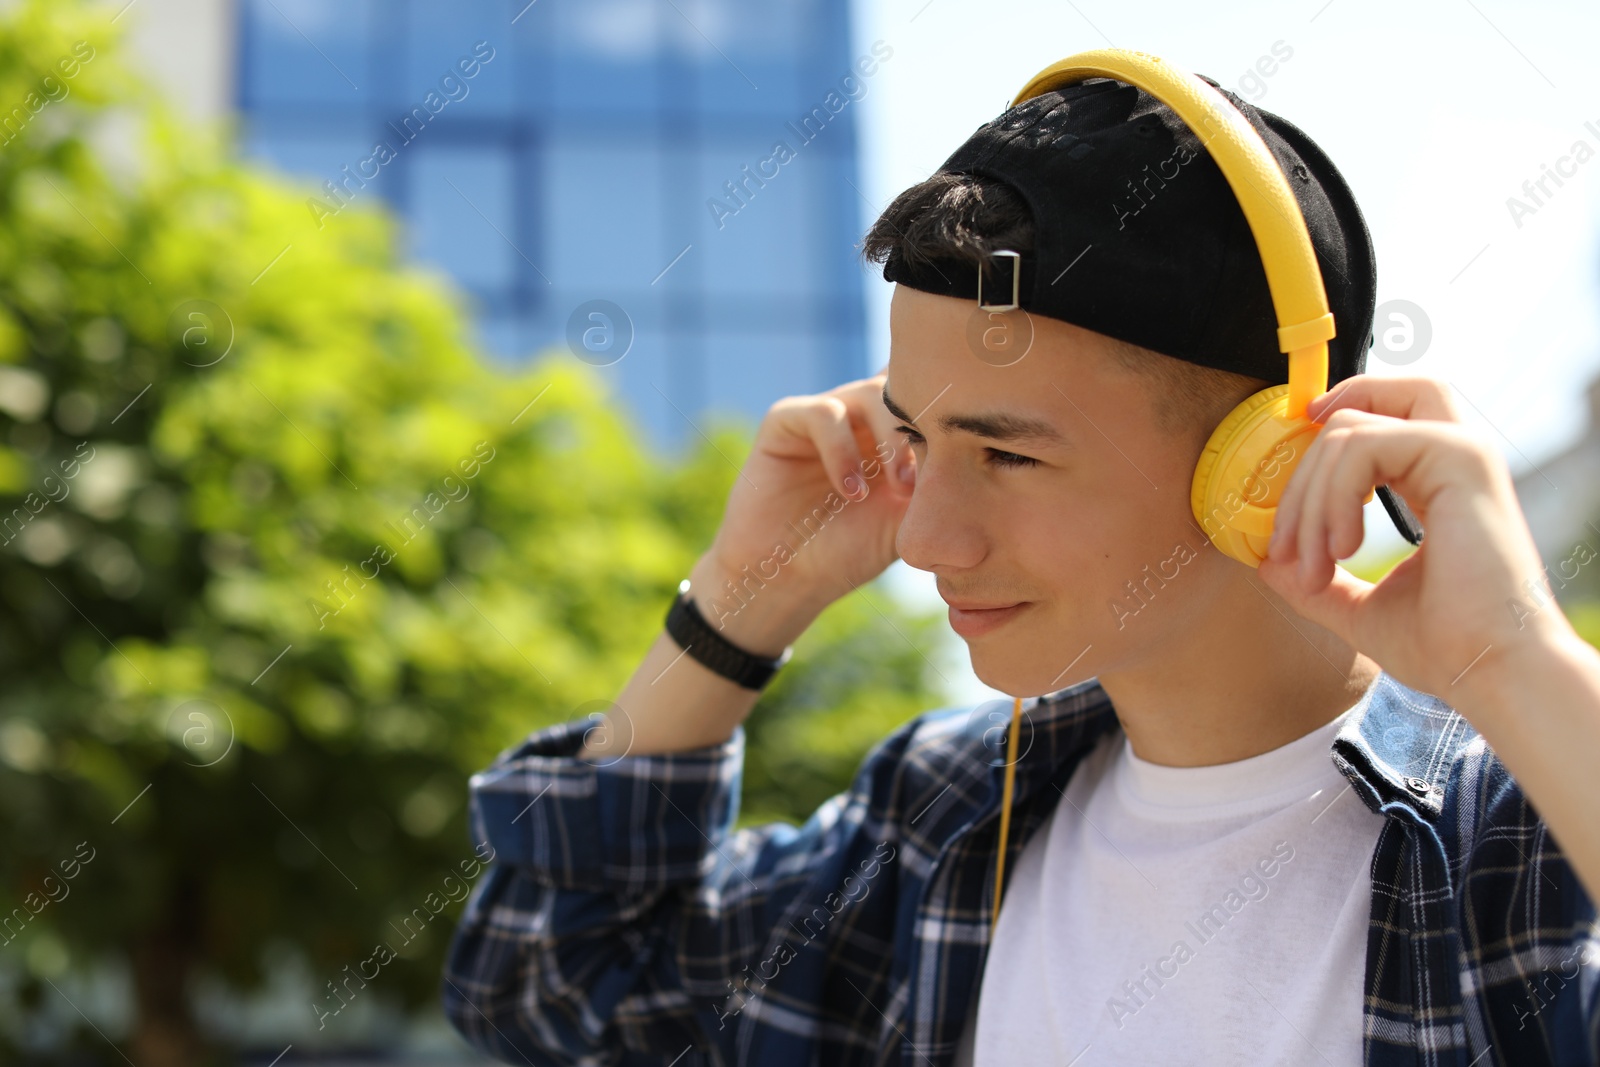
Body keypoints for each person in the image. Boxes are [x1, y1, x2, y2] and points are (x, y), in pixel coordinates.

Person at [441, 57, 1600, 1066]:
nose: (927, 537)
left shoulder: (1516, 836)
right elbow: (545, 987)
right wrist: (744, 602)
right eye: (914, 436)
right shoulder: (939, 813)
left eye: (1004, 450)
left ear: (1267, 456)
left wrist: (1514, 662)